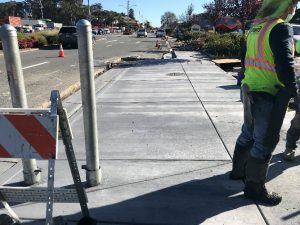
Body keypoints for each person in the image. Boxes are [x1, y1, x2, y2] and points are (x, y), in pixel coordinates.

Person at [230, 0, 298, 206]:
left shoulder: (256, 28)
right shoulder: (280, 27)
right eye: (293, 5)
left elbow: (244, 58)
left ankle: (238, 172)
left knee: (248, 132)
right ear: (284, 6)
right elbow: (285, 64)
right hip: (268, 94)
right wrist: (294, 91)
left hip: (249, 89)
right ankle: (254, 188)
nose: (294, 9)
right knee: (265, 141)